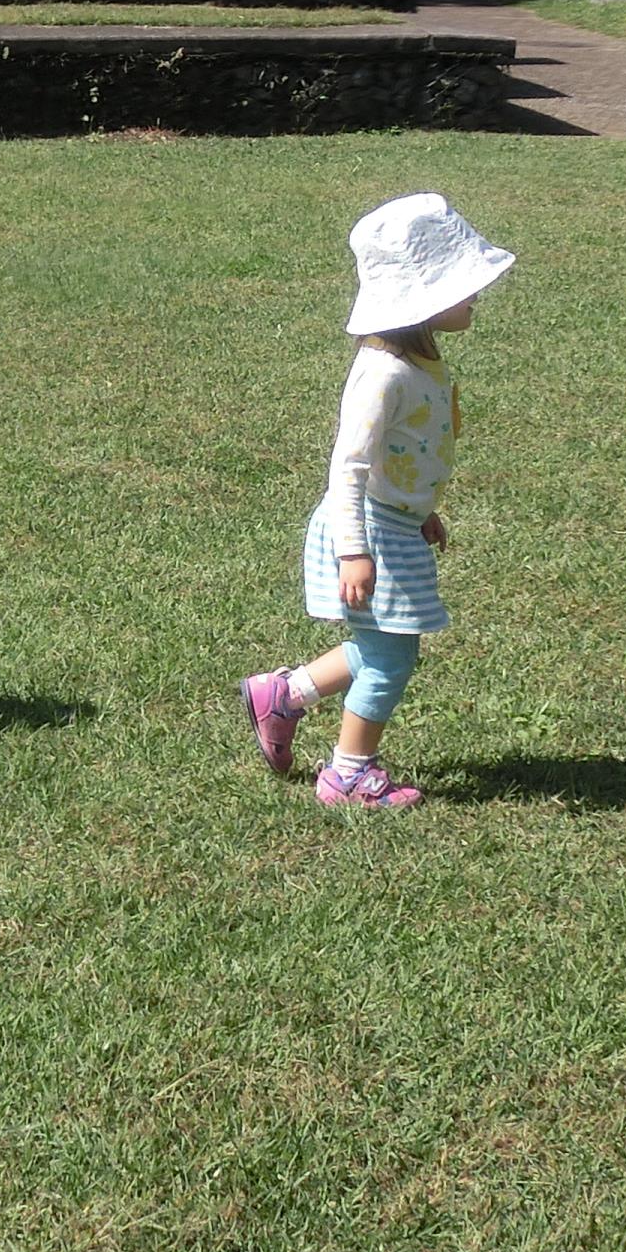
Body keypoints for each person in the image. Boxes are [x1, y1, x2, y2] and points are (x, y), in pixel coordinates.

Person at [238, 192, 516, 808]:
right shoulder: (385, 372)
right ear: (425, 299)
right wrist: (354, 551)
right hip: (366, 531)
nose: (477, 294)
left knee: (382, 646)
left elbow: (406, 453)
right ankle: (348, 775)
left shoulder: (420, 361)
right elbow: (349, 466)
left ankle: (283, 696)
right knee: (391, 657)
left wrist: (421, 510)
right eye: (465, 286)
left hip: (396, 524)